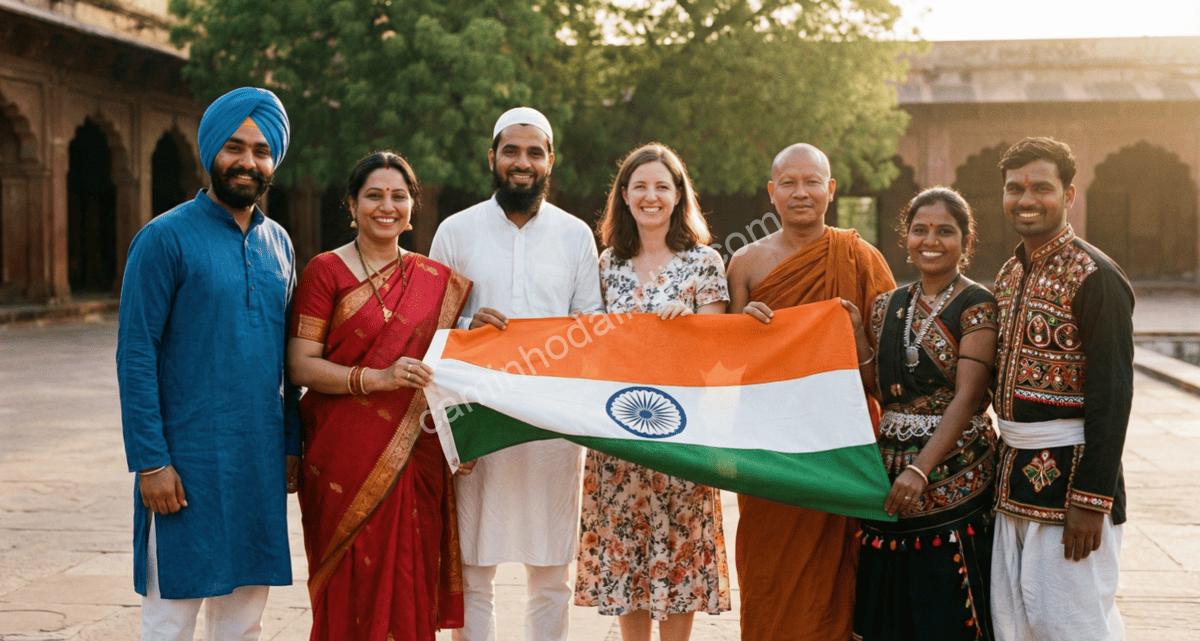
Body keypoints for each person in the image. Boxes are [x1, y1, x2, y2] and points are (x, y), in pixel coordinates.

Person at [116, 87, 298, 640]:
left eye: (262, 151)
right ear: (210, 151)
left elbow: (287, 362)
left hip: (258, 462)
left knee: (243, 621)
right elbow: (136, 355)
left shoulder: (281, 244)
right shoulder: (163, 238)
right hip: (184, 463)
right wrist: (151, 462)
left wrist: (291, 446)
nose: (247, 161)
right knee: (171, 617)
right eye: (235, 147)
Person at [429, 107, 604, 641]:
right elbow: (429, 323)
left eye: (534, 152)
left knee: (552, 574)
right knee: (474, 570)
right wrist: (466, 323)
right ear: (492, 158)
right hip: (476, 417)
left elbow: (592, 326)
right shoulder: (455, 231)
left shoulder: (575, 236)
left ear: (550, 161)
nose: (521, 162)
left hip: (551, 424)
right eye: (511, 151)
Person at [286, 152, 472, 640]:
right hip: (342, 455)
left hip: (416, 456)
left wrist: (480, 334)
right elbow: (301, 364)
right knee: (350, 586)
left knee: (408, 580)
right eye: (373, 195)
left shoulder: (436, 282)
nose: (386, 206)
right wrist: (376, 378)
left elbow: (448, 371)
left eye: (398, 196)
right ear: (351, 204)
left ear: (412, 207)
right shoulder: (326, 272)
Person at [726, 142, 895, 640]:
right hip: (770, 446)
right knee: (768, 572)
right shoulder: (746, 263)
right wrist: (744, 329)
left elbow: (887, 375)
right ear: (772, 192)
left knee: (838, 576)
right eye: (790, 183)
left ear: (831, 190)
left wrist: (858, 331)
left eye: (812, 182)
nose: (802, 193)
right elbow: (729, 367)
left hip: (841, 444)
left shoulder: (860, 257)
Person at [574, 143, 731, 641]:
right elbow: (589, 344)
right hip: (619, 434)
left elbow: (715, 354)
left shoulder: (704, 262)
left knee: (677, 554)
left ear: (679, 194)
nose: (651, 195)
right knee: (628, 557)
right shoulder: (606, 265)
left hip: (680, 431)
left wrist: (688, 326)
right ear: (623, 195)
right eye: (640, 185)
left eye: (662, 185)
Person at [989, 137, 1133, 641]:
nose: (1026, 199)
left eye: (1041, 188)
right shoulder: (1009, 274)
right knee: (1015, 621)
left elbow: (1113, 397)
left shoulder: (1096, 277)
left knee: (1072, 624)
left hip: (1073, 482)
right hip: (1013, 481)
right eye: (1014, 188)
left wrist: (1091, 498)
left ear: (1069, 195)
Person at [850, 187, 999, 641]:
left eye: (945, 231)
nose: (930, 240)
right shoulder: (886, 306)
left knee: (942, 605)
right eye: (920, 230)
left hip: (953, 471)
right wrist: (857, 335)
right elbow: (882, 390)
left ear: (966, 242)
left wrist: (921, 468)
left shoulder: (976, 305)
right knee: (890, 605)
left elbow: (968, 397)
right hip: (890, 475)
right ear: (906, 238)